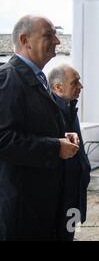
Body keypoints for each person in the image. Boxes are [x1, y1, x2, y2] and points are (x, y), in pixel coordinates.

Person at [0, 15, 80, 240]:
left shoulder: (37, 78)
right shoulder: (9, 78)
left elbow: (30, 128)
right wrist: (55, 147)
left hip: (41, 205)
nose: (57, 41)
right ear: (25, 40)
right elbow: (4, 139)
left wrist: (62, 137)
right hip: (22, 212)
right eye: (49, 35)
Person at [48, 64, 91, 241]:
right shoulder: (49, 112)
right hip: (60, 197)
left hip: (74, 193)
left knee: (70, 233)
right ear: (58, 88)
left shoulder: (69, 108)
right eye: (75, 82)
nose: (81, 86)